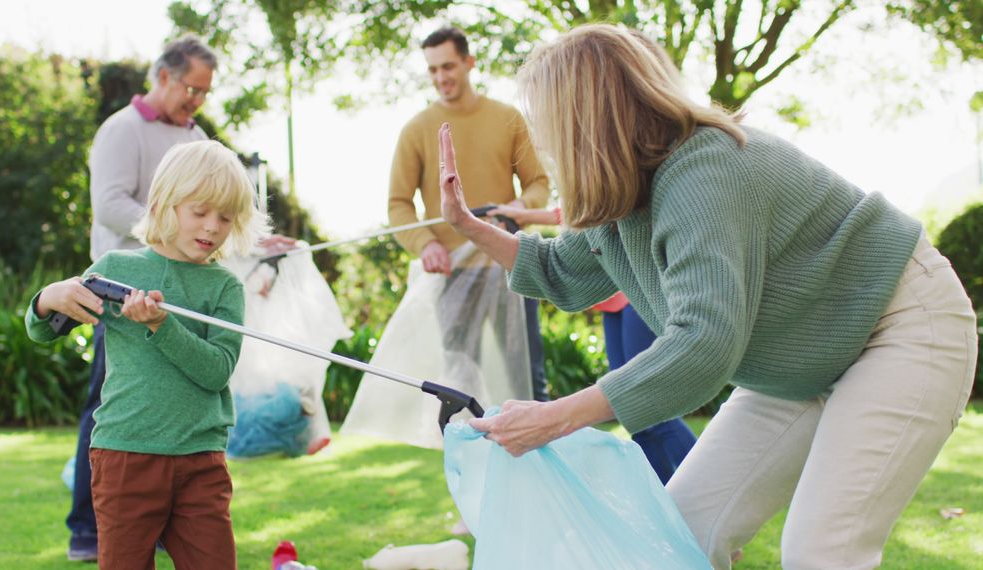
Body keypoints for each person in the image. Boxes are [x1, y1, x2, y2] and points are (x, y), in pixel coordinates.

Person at [440, 24, 977, 569]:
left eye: (543, 118)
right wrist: (472, 227)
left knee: (822, 550)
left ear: (583, 117)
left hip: (901, 326)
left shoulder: (703, 170)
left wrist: (556, 417)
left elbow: (703, 343)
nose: (541, 137)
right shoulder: (624, 195)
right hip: (801, 363)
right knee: (679, 532)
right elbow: (562, 271)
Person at [27, 140, 263, 568]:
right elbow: (41, 330)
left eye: (225, 217)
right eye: (200, 212)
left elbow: (216, 371)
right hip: (125, 455)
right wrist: (48, 297)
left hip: (200, 461)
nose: (212, 227)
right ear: (164, 204)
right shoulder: (115, 269)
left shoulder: (225, 288)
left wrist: (161, 325)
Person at [65, 35, 217, 562]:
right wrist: (169, 234)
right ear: (164, 76)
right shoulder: (122, 129)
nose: (197, 99)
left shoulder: (194, 136)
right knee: (108, 408)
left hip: (182, 295)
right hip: (123, 294)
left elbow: (213, 208)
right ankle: (87, 527)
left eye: (204, 91)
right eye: (192, 87)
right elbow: (108, 204)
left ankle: (158, 518)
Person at [388, 26, 551, 401]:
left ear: (469, 63)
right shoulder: (416, 130)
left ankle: (537, 456)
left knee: (527, 377)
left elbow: (539, 183)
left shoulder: (507, 117)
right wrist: (424, 243)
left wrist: (522, 207)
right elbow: (397, 204)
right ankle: (469, 458)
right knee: (460, 385)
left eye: (448, 66)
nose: (440, 77)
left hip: (512, 265)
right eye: (432, 70)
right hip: (453, 274)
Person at [490, 203, 698, 484]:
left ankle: (706, 479)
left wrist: (525, 215)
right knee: (633, 415)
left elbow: (575, 213)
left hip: (635, 294)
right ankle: (663, 494)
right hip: (614, 302)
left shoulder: (600, 187)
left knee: (649, 407)